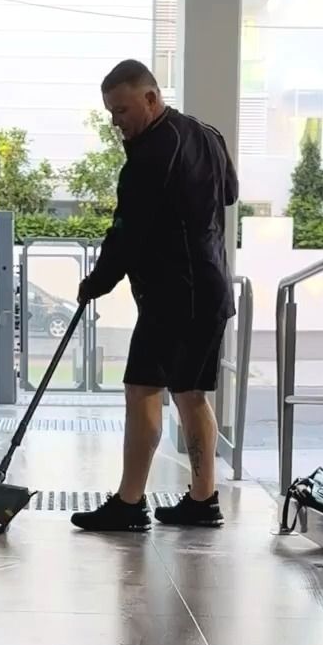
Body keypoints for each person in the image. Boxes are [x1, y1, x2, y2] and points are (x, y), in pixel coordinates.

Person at [70, 59, 237, 533]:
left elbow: (128, 234)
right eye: (110, 113)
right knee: (190, 392)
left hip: (174, 296)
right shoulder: (207, 134)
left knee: (143, 387)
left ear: (150, 97)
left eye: (122, 110)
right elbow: (229, 192)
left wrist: (97, 282)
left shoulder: (148, 157)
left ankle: (128, 503)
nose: (116, 122)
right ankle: (203, 500)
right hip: (209, 287)